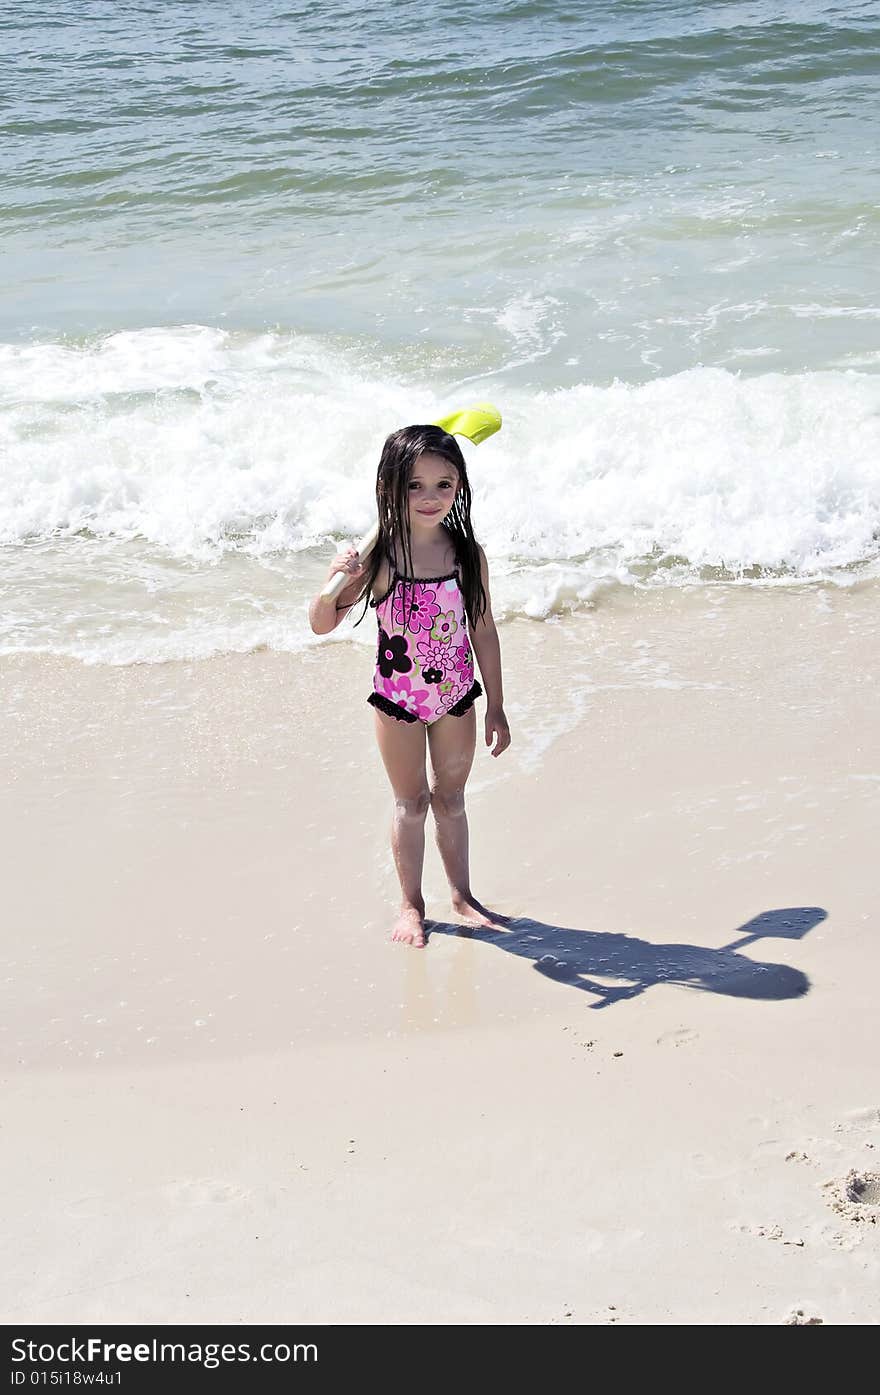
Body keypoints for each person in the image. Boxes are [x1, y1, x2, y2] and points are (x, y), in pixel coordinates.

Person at [309, 424, 511, 947]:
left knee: (452, 800)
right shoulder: (380, 558)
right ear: (391, 487)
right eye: (415, 485)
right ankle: (411, 905)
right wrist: (334, 578)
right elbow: (321, 622)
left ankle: (463, 897)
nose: (430, 497)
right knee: (411, 802)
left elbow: (483, 630)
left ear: (460, 488)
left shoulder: (468, 557)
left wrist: (496, 705)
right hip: (397, 699)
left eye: (444, 484)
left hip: (456, 697)